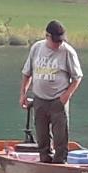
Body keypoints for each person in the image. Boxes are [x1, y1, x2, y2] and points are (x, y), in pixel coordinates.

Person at [20, 20, 83, 164]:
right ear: (47, 36)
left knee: (60, 137)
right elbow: (27, 73)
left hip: (58, 100)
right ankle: (45, 162)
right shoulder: (36, 48)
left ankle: (60, 163)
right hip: (39, 99)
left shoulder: (68, 52)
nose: (58, 44)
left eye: (60, 41)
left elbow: (77, 77)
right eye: (55, 41)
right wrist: (23, 94)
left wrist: (66, 96)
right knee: (42, 137)